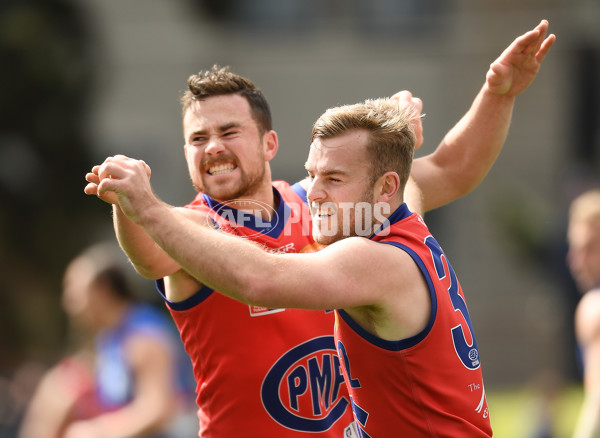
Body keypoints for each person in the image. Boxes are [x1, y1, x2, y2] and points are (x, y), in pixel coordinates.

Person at [85, 20, 555, 437]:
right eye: (197, 138)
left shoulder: (334, 209)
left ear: (270, 143)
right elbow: (149, 253)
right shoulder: (194, 225)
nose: (213, 147)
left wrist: (389, 145)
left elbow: (453, 170)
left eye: (229, 132)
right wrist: (132, 204)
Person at [18, 243, 196, 438]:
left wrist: (97, 431)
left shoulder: (144, 337)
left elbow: (158, 410)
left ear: (102, 290)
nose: (68, 303)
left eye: (73, 290)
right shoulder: (109, 338)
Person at [567, 190, 600, 438]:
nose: (576, 262)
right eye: (574, 248)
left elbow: (597, 405)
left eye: (589, 248)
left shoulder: (594, 308)